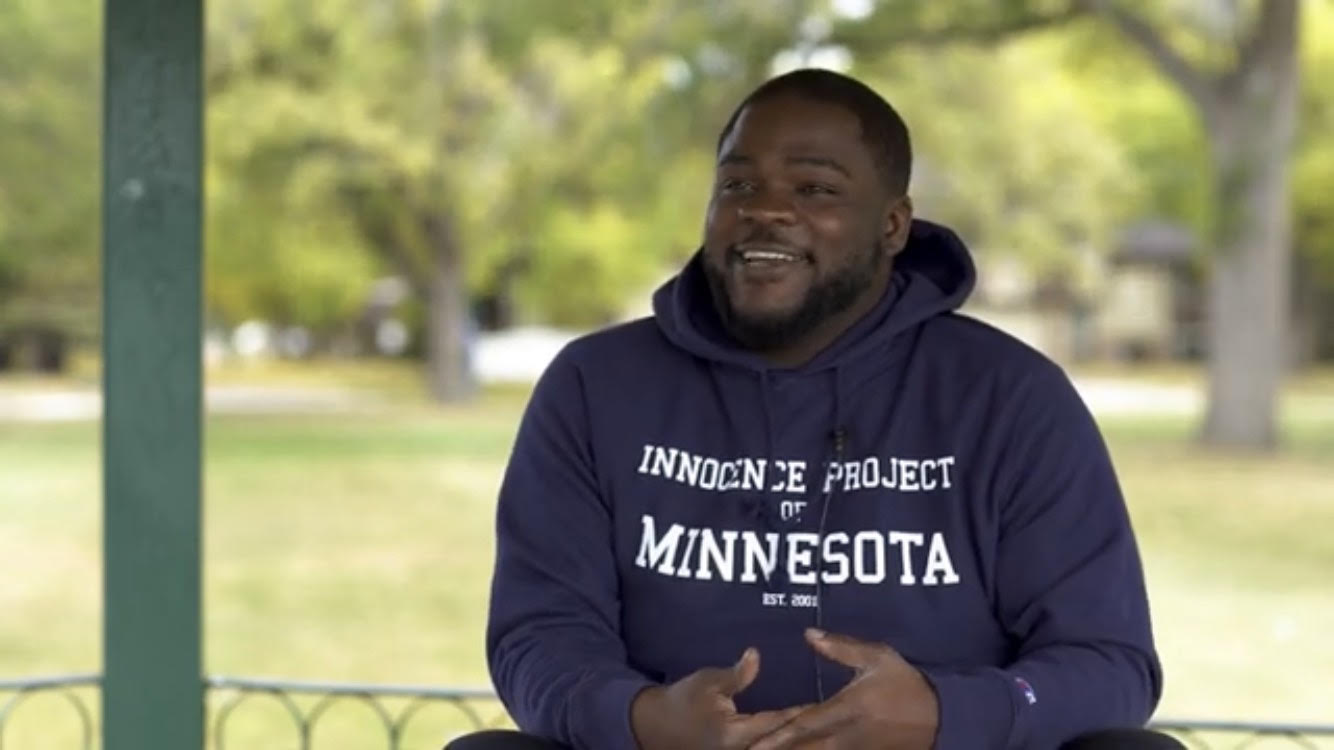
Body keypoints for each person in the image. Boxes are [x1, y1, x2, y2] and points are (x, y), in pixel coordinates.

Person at [450, 68, 1179, 750]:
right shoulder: (595, 386)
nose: (765, 210)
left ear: (893, 227)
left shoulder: (1010, 397)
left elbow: (1110, 664)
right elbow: (539, 636)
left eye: (815, 189)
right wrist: (644, 720)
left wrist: (942, 715)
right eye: (738, 183)